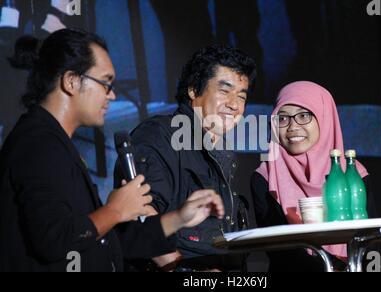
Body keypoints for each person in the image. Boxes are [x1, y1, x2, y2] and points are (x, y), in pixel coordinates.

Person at [0, 29, 224, 272]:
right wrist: (114, 210)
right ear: (71, 81)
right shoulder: (38, 144)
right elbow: (54, 239)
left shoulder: (56, 142)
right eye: (106, 83)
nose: (113, 95)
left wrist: (178, 218)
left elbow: (107, 240)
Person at [115, 44, 257, 271]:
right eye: (224, 90)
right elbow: (140, 215)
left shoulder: (220, 149)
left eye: (241, 96)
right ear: (193, 90)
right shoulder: (159, 136)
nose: (234, 104)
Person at [251, 81, 376, 271]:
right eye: (282, 119)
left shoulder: (353, 174)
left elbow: (371, 241)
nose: (292, 127)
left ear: (325, 118)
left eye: (303, 116)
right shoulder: (265, 178)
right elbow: (279, 249)